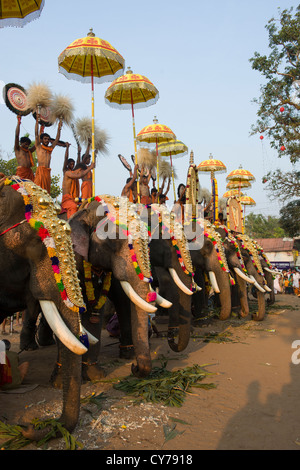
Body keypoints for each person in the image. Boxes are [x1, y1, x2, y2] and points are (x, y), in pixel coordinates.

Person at [34, 112, 62, 194]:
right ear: (42, 140)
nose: (47, 140)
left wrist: (59, 128)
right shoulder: (39, 147)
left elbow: (57, 139)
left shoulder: (50, 148)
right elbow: (36, 134)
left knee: (46, 192)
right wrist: (36, 121)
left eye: (48, 139)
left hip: (47, 172)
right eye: (45, 139)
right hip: (40, 171)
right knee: (38, 190)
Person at [14, 115, 35, 181]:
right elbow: (17, 136)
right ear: (21, 143)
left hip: (29, 172)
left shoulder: (29, 151)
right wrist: (18, 123)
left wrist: (41, 131)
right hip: (21, 172)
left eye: (28, 144)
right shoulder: (18, 149)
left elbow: (37, 144)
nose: (27, 146)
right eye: (26, 144)